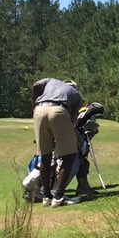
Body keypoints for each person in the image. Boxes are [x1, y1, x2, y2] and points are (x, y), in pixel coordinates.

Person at [31, 77, 83, 207]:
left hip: (39, 109)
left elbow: (36, 85)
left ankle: (46, 196)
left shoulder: (50, 80)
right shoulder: (76, 95)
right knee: (69, 155)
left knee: (45, 155)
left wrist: (35, 103)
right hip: (59, 110)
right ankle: (58, 196)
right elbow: (72, 118)